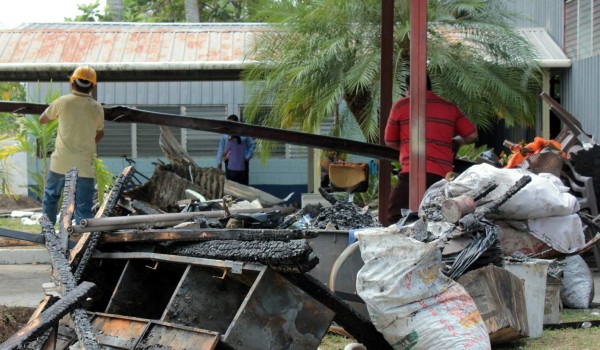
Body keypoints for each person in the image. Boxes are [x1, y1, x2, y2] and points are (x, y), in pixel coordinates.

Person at [384, 74, 478, 225]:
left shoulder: (402, 105)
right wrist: (456, 141)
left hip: (411, 172)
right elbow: (472, 134)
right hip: (442, 176)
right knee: (440, 220)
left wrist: (407, 145)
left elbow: (389, 141)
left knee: (395, 216)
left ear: (408, 89)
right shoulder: (449, 107)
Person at [39, 65, 105, 225]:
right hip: (84, 166)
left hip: (60, 163)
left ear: (72, 83)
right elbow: (99, 134)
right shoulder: (97, 108)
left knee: (51, 199)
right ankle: (82, 243)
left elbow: (42, 119)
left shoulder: (62, 102)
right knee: (83, 207)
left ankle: (47, 233)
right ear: (93, 86)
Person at [216, 114, 256, 185]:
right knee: (231, 185)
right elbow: (221, 148)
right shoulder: (225, 135)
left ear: (236, 124)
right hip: (229, 163)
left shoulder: (244, 133)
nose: (229, 126)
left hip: (242, 163)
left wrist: (247, 157)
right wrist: (219, 162)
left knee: (243, 186)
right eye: (228, 123)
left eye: (231, 123)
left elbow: (252, 146)